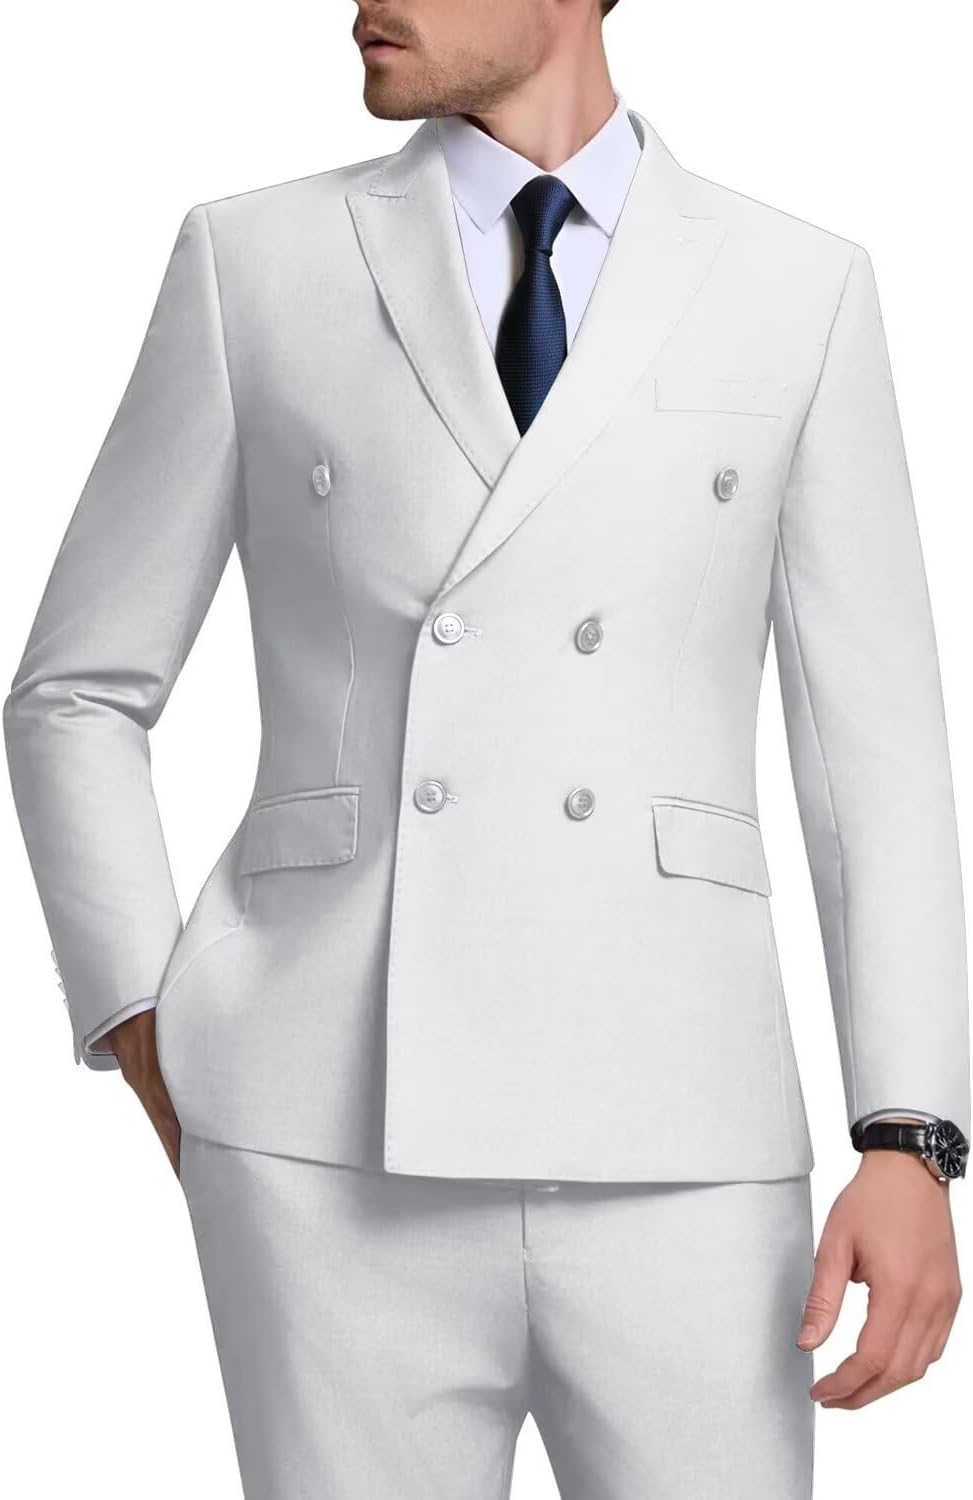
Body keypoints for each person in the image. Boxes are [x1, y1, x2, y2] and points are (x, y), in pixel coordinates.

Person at [5, 3, 969, 1496]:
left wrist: (909, 1133)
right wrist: (143, 1016)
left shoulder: (797, 283)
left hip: (686, 1130)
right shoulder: (253, 260)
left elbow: (877, 747)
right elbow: (75, 689)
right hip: (320, 1126)